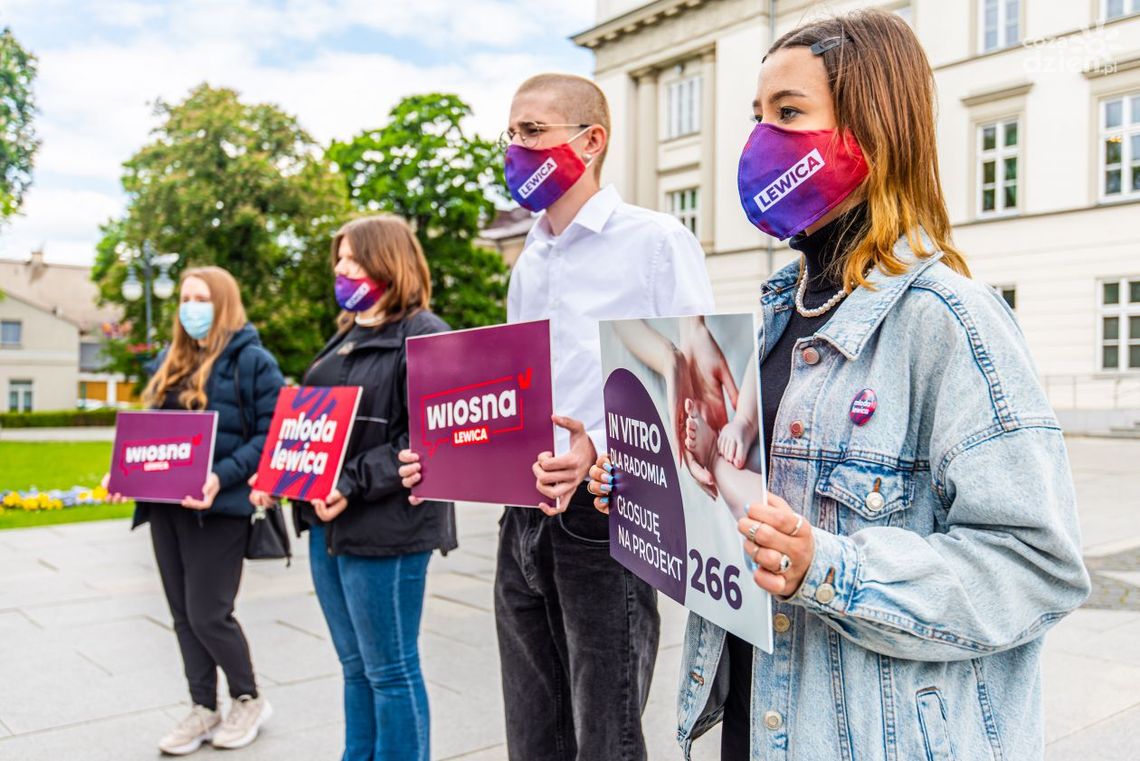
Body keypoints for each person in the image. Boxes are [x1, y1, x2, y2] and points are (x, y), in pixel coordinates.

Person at [588, 10, 1090, 760]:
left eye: (789, 113)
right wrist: (650, 487)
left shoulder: (952, 321)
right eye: (757, 115)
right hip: (755, 723)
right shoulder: (764, 319)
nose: (760, 139)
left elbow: (1035, 567)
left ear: (872, 129)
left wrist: (828, 567)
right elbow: (734, 530)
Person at [399, 73, 715, 760]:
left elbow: (695, 383)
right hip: (524, 515)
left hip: (607, 517)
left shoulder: (656, 242)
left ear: (591, 140)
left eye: (532, 131)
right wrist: (446, 451)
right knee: (532, 733)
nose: (516, 147)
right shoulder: (529, 262)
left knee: (607, 733)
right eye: (510, 133)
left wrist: (599, 448)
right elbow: (518, 394)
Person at [253, 214, 456, 761]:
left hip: (390, 531)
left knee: (391, 670)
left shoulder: (425, 334)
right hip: (328, 529)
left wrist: (351, 482)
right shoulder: (343, 336)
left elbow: (431, 441)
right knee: (355, 668)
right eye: (338, 259)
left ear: (385, 259)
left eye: (351, 257)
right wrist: (280, 471)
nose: (340, 269)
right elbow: (321, 427)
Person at [104, 265, 283, 755]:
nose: (191, 307)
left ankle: (248, 697)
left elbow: (269, 437)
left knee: (209, 614)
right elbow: (153, 436)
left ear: (223, 302)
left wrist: (220, 476)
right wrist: (123, 474)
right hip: (168, 508)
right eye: (185, 297)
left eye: (201, 297)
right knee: (183, 614)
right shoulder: (171, 360)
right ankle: (203, 706)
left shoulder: (255, 362)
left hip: (218, 508)